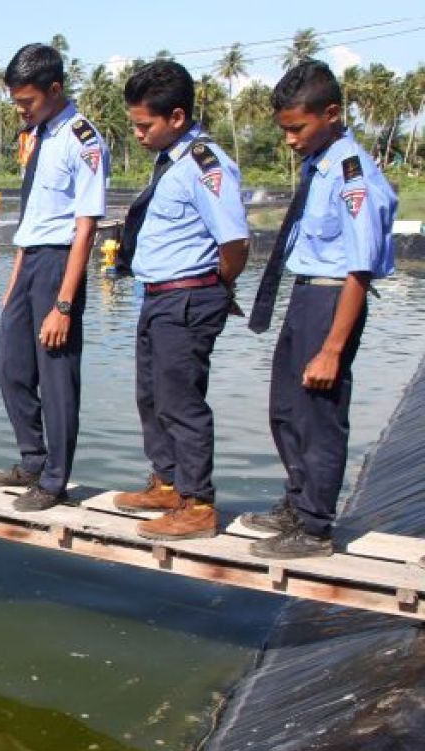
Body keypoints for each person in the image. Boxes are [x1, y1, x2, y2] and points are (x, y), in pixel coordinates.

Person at [243, 61, 396, 559]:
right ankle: (296, 501)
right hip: (307, 293)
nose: (289, 140)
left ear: (331, 114)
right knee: (286, 410)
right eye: (284, 129)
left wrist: (332, 349)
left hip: (333, 299)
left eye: (296, 128)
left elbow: (360, 269)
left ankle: (314, 528)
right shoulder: (320, 165)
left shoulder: (354, 177)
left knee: (319, 416)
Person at [112, 60, 250, 540]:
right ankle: (168, 482)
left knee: (181, 401)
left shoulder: (204, 165)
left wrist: (215, 288)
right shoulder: (170, 161)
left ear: (175, 117)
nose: (138, 133)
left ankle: (198, 504)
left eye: (144, 124)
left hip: (187, 299)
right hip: (157, 297)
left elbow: (235, 244)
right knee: (152, 397)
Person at [0, 43, 108, 511]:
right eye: (17, 102)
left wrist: (64, 303)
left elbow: (85, 228)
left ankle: (55, 480)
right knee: (12, 368)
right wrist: (14, 282)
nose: (21, 110)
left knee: (56, 377)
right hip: (29, 260)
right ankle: (32, 459)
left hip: (60, 263)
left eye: (27, 101)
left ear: (55, 90)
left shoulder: (83, 140)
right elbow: (31, 217)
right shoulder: (41, 136)